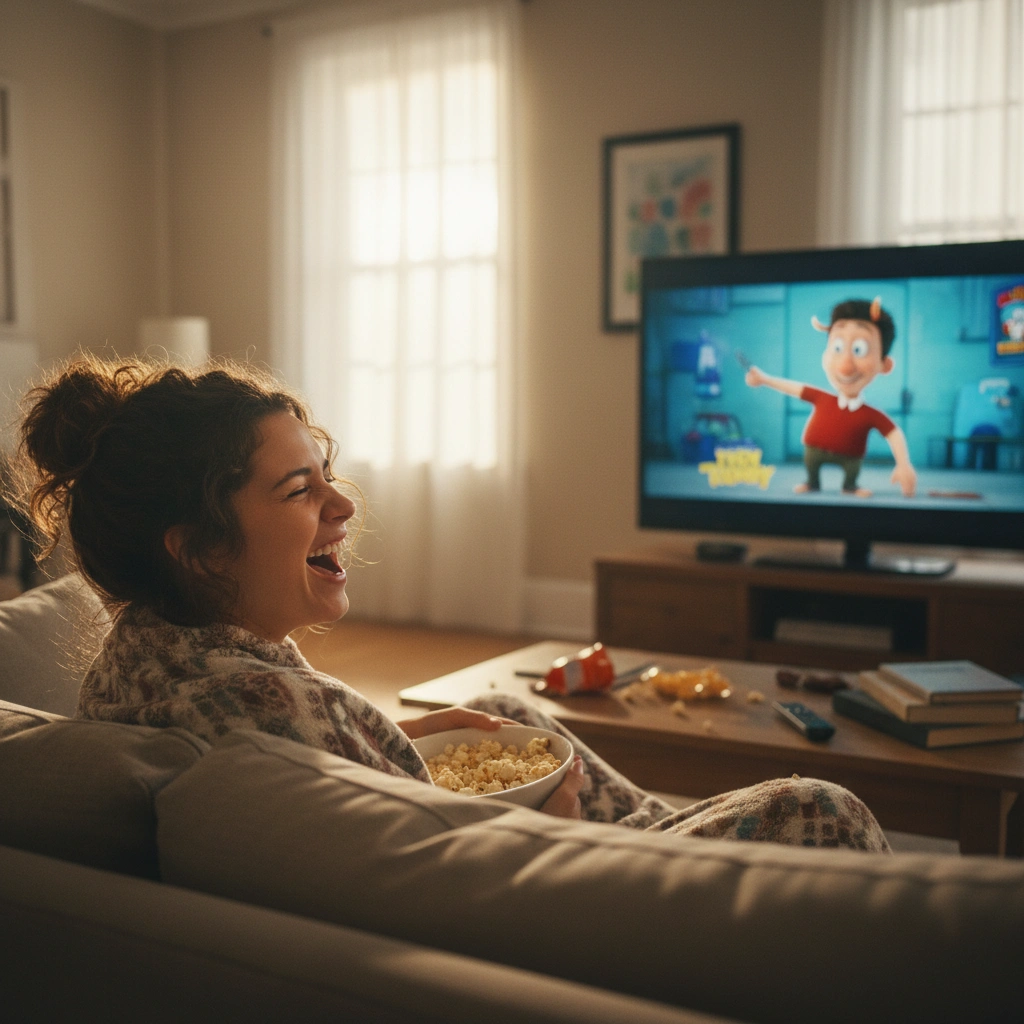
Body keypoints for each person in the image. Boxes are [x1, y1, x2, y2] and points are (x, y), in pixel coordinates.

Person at [13, 355, 890, 850]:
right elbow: (459, 871)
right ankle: (672, 835)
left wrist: (395, 735)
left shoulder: (149, 662)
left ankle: (661, 824)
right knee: (820, 806)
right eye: (299, 490)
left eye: (326, 475)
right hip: (568, 893)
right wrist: (549, 827)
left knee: (508, 711)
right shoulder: (263, 705)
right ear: (199, 546)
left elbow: (331, 771)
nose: (343, 505)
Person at [745, 297, 917, 499]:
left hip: (851, 457)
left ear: (885, 365)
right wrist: (764, 379)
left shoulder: (870, 414)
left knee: (852, 469)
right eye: (837, 348)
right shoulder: (822, 398)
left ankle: (850, 485)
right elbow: (794, 388)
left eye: (859, 350)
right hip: (814, 450)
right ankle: (812, 481)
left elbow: (893, 433)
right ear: (825, 355)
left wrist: (904, 464)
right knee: (811, 461)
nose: (845, 366)